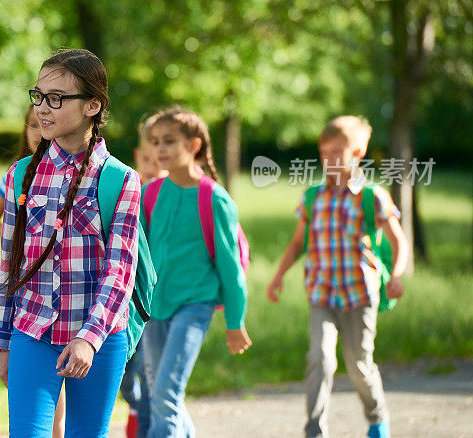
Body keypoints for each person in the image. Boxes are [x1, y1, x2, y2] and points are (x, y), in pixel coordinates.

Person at [0, 48, 141, 437]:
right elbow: (11, 265)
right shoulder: (20, 176)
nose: (43, 108)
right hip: (32, 331)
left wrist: (89, 340)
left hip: (100, 339)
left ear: (93, 105)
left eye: (56, 99)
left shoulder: (120, 180)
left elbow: (121, 271)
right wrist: (4, 340)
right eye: (38, 96)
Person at [266, 115, 408, 438]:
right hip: (322, 293)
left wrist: (396, 275)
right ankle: (314, 430)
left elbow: (399, 240)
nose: (329, 159)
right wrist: (278, 276)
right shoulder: (313, 197)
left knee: (359, 364)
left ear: (357, 153)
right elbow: (299, 242)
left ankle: (377, 418)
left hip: (360, 293)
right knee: (319, 358)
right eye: (324, 152)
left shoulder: (372, 196)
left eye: (337, 152)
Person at [141, 106, 252, 437]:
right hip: (153, 308)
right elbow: (139, 256)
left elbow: (231, 270)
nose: (160, 149)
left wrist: (236, 322)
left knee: (165, 394)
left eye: (169, 141)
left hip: (195, 305)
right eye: (155, 141)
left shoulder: (214, 199)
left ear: (194, 146)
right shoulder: (150, 192)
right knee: (161, 394)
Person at [0, 106, 67, 437]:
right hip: (22, 294)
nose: (37, 130)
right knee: (29, 393)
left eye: (41, 123)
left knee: (61, 400)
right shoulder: (16, 175)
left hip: (66, 295)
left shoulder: (81, 173)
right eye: (31, 125)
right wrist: (17, 233)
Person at [120, 118, 168, 438]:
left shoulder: (169, 195)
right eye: (147, 160)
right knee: (125, 376)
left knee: (152, 373)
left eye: (159, 161)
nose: (153, 168)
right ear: (138, 156)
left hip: (160, 303)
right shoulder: (128, 188)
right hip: (128, 302)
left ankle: (148, 426)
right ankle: (139, 408)